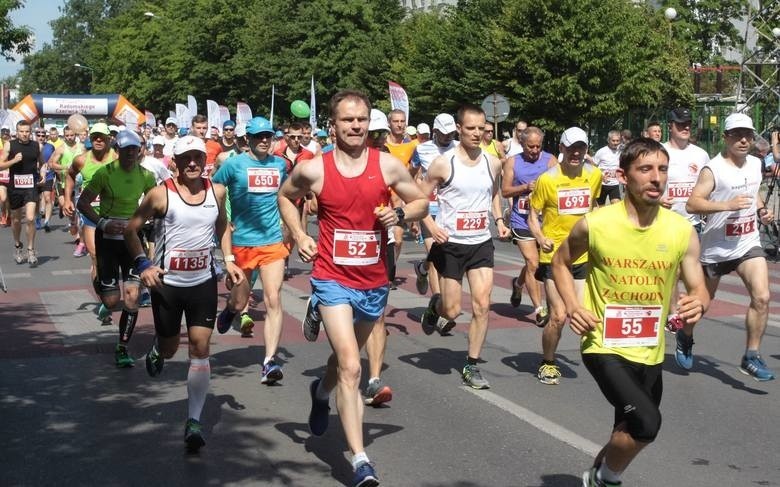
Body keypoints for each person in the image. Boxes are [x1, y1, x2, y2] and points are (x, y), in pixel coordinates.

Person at [279, 90, 428, 487]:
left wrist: (398, 212)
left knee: (341, 364)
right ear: (334, 125)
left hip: (374, 280)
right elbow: (286, 196)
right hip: (331, 277)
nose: (356, 126)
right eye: (347, 120)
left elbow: (422, 203)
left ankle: (319, 393)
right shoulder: (315, 169)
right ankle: (360, 459)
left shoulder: (387, 166)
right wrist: (298, 234)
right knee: (350, 365)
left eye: (361, 119)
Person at [552, 137, 709, 487]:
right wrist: (573, 305)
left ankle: (599, 473)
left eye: (663, 169)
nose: (656, 178)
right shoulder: (595, 224)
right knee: (647, 422)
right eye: (646, 169)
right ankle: (606, 479)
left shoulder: (681, 230)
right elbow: (560, 262)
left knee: (630, 430)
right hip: (603, 344)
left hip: (650, 349)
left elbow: (698, 287)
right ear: (623, 176)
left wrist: (698, 302)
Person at [124, 135, 241, 452]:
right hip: (168, 286)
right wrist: (144, 264)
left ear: (206, 161)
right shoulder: (161, 195)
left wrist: (228, 260)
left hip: (202, 282)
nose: (192, 163)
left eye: (198, 158)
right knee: (170, 347)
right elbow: (131, 229)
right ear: (174, 161)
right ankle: (157, 350)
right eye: (186, 158)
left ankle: (193, 421)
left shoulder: (217, 191)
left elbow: (222, 227)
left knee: (201, 347)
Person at [419, 104, 510, 389]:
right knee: (453, 312)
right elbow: (418, 199)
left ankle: (471, 365)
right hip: (452, 244)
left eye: (480, 128)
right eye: (470, 128)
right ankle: (436, 305)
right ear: (459, 129)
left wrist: (498, 219)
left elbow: (493, 192)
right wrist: (432, 226)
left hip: (481, 243)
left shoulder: (492, 162)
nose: (476, 133)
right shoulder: (444, 163)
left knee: (483, 305)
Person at [685, 113, 775, 381]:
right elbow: (693, 204)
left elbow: (754, 193)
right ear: (726, 138)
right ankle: (685, 335)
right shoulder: (712, 169)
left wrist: (761, 211)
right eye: (736, 135)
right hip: (716, 249)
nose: (743, 140)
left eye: (747, 134)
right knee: (701, 305)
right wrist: (726, 205)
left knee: (762, 297)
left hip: (747, 243)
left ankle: (751, 355)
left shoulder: (756, 164)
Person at [211, 116, 291, 384]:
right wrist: (222, 220)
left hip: (271, 242)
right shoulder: (233, 165)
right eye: (259, 136)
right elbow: (215, 192)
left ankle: (269, 362)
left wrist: (292, 227)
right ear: (248, 139)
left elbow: (287, 197)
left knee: (273, 299)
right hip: (241, 242)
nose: (264, 141)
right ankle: (231, 311)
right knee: (239, 299)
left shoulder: (280, 165)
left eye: (268, 136)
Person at [528, 127, 602, 385]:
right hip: (553, 257)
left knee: (582, 314)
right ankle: (547, 362)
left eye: (581, 148)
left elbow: (595, 208)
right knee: (559, 315)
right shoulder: (547, 180)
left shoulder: (594, 176)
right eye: (571, 148)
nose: (576, 153)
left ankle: (603, 360)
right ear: (561, 148)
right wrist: (540, 237)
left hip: (581, 255)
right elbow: (533, 215)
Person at [76, 130, 156, 367]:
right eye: (126, 149)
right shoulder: (105, 173)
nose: (131, 153)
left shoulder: (146, 175)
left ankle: (122, 347)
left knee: (131, 297)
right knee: (112, 302)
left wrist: (147, 220)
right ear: (118, 150)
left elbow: (155, 202)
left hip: (132, 240)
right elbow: (83, 202)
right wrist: (103, 222)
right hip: (107, 239)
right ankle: (103, 291)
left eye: (135, 148)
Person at [659, 107, 709, 339]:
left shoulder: (700, 154)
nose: (686, 127)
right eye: (680, 124)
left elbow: (708, 187)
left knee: (691, 276)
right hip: (665, 223)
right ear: (670, 126)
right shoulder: (660, 152)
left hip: (692, 225)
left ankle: (685, 327)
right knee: (673, 271)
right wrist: (658, 199)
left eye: (688, 123)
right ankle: (671, 314)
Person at [501, 126, 556, 326]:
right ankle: (539, 309)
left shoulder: (550, 161)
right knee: (532, 263)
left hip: (544, 221)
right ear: (522, 144)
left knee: (538, 264)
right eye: (530, 146)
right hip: (521, 219)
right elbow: (505, 191)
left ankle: (518, 284)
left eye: (537, 146)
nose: (534, 150)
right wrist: (525, 187)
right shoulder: (513, 162)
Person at [410, 113, 458, 303]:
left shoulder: (460, 148)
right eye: (444, 133)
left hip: (451, 209)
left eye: (451, 133)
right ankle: (437, 303)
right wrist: (413, 208)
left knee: (442, 254)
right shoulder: (421, 150)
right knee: (435, 254)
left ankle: (422, 269)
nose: (448, 137)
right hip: (428, 209)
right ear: (435, 131)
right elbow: (410, 176)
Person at [0, 120, 44, 266]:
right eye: (22, 131)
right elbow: (0, 165)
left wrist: (42, 173)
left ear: (30, 132)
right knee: (16, 219)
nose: (25, 134)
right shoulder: (10, 145)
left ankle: (31, 249)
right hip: (15, 187)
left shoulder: (36, 145)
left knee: (30, 218)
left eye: (27, 131)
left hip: (31, 186)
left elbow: (42, 163)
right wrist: (13, 160)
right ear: (17, 132)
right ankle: (18, 245)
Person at [593, 130, 622, 205]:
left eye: (617, 141)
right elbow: (593, 166)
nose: (615, 143)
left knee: (616, 205)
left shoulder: (620, 151)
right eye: (613, 141)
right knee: (600, 207)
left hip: (614, 184)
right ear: (608, 140)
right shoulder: (601, 152)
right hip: (602, 185)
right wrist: (601, 176)